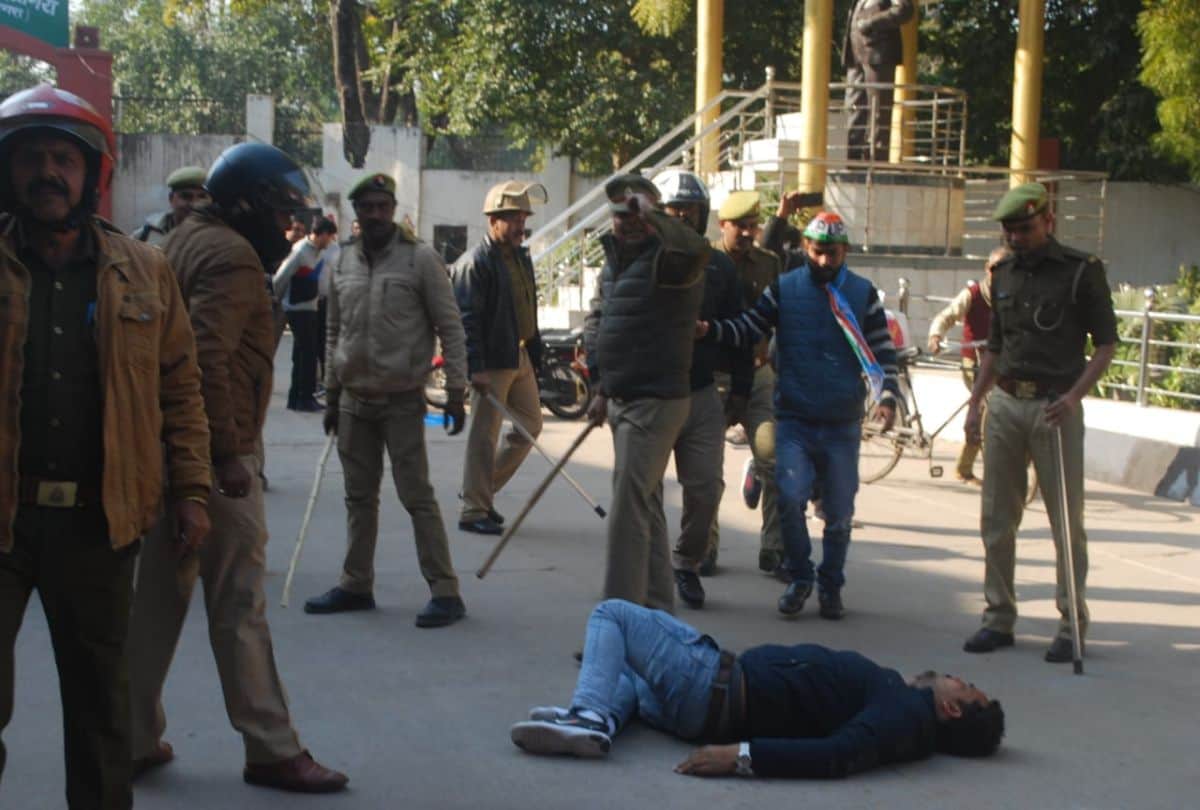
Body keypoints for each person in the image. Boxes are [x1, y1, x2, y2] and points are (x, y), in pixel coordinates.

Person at [0, 84, 212, 810]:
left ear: (92, 173)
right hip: (2, 521)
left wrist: (192, 490)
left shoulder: (145, 270)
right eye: (31, 158)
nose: (47, 173)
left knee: (99, 711)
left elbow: (180, 389)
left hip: (99, 521)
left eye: (63, 159)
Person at [126, 143, 348, 794]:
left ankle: (128, 734)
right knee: (239, 603)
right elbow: (204, 360)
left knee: (157, 602)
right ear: (248, 204)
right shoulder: (231, 256)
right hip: (209, 457)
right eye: (278, 212)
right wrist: (225, 454)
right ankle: (271, 747)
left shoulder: (184, 237)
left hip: (166, 447)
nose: (286, 226)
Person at [510, 599, 1005, 777]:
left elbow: (837, 755)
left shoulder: (903, 712)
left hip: (710, 687)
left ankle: (589, 716)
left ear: (953, 709)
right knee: (630, 673)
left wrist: (742, 757)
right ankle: (600, 721)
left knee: (613, 615)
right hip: (707, 698)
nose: (958, 677)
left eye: (966, 687)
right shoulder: (901, 707)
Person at [701, 212, 900, 620]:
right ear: (806, 248)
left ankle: (831, 585)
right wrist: (712, 330)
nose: (825, 260)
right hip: (794, 419)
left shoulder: (862, 294)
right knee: (790, 501)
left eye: (833, 253)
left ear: (845, 251)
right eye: (818, 252)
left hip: (842, 423)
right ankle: (800, 576)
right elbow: (749, 327)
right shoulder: (785, 289)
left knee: (839, 514)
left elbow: (881, 349)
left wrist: (888, 396)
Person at [304, 172, 470, 628]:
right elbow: (334, 332)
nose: (375, 214)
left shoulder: (421, 259)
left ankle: (445, 591)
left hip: (401, 401)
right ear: (356, 213)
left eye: (383, 206)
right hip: (353, 400)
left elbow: (451, 327)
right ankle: (356, 583)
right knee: (358, 497)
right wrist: (332, 395)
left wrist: (457, 391)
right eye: (367, 207)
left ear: (393, 210)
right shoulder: (342, 260)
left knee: (416, 496)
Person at [962, 183, 1117, 663]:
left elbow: (1106, 345)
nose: (1017, 238)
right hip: (1006, 403)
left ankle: (1071, 624)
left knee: (1065, 523)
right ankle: (998, 617)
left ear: (1048, 221)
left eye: (1025, 229)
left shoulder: (1081, 271)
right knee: (996, 519)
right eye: (1010, 231)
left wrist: (1074, 397)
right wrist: (976, 402)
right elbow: (995, 347)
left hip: (1055, 406)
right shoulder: (1002, 273)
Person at [584, 174, 709, 612]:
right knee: (647, 508)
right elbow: (599, 321)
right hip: (622, 398)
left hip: (655, 401)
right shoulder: (615, 261)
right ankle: (658, 612)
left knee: (627, 512)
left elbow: (696, 247)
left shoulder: (673, 260)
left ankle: (617, 620)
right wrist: (600, 385)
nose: (629, 221)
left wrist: (651, 213)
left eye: (637, 212)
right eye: (621, 213)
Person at [649, 171, 752, 609]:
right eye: (673, 210)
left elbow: (742, 331)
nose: (682, 218)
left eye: (689, 211)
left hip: (701, 393)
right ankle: (649, 571)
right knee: (644, 492)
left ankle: (686, 563)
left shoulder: (720, 267)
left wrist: (742, 391)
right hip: (650, 394)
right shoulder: (640, 258)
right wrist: (603, 379)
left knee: (707, 489)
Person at [452, 181, 548, 535]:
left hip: (518, 353)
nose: (522, 225)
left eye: (524, 218)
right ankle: (473, 510)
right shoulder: (474, 263)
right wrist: (474, 367)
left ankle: (479, 490)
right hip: (491, 361)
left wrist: (534, 351)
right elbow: (466, 320)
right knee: (484, 436)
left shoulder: (520, 257)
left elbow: (528, 307)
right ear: (493, 220)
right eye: (514, 219)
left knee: (530, 426)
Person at [711, 190, 784, 575]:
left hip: (758, 375)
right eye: (739, 226)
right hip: (714, 376)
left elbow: (782, 317)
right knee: (706, 471)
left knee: (775, 461)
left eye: (752, 226)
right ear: (721, 224)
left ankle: (774, 547)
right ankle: (703, 547)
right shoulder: (704, 261)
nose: (746, 233)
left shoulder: (768, 264)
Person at [927, 246, 1009, 485]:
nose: (999, 274)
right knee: (987, 407)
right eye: (994, 269)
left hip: (1001, 361)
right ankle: (977, 470)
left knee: (994, 410)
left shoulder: (1011, 295)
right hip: (973, 361)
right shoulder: (972, 294)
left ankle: (967, 468)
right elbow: (947, 316)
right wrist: (936, 336)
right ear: (986, 269)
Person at [274, 215, 338, 412]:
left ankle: (296, 398)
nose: (331, 241)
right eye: (330, 237)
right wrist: (280, 302)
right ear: (323, 234)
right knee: (308, 354)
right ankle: (305, 397)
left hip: (311, 307)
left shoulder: (318, 252)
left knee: (302, 354)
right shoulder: (301, 251)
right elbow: (281, 277)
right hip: (298, 309)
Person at [843, 0, 915, 162]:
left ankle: (876, 160)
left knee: (878, 111)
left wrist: (871, 23)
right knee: (853, 107)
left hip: (879, 56)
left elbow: (905, 9)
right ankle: (852, 159)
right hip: (855, 57)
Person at [130, 165, 210, 246]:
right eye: (186, 196)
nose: (195, 204)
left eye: (202, 197)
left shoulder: (214, 235)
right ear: (171, 199)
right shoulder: (145, 235)